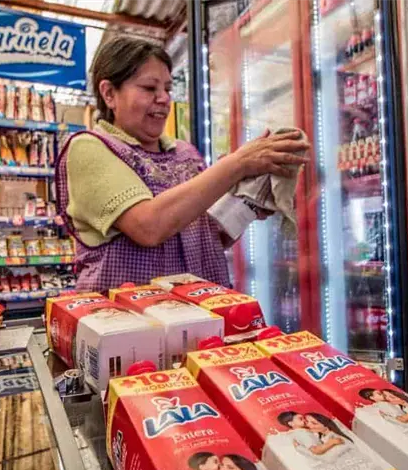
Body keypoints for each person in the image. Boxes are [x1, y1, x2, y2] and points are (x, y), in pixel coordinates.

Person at [55, 36, 309, 292]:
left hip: (201, 313)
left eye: (167, 89)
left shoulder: (184, 153)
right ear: (109, 93)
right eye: (149, 88)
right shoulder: (89, 147)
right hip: (128, 322)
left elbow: (209, 237)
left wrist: (247, 202)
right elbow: (149, 226)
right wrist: (238, 163)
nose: (164, 99)